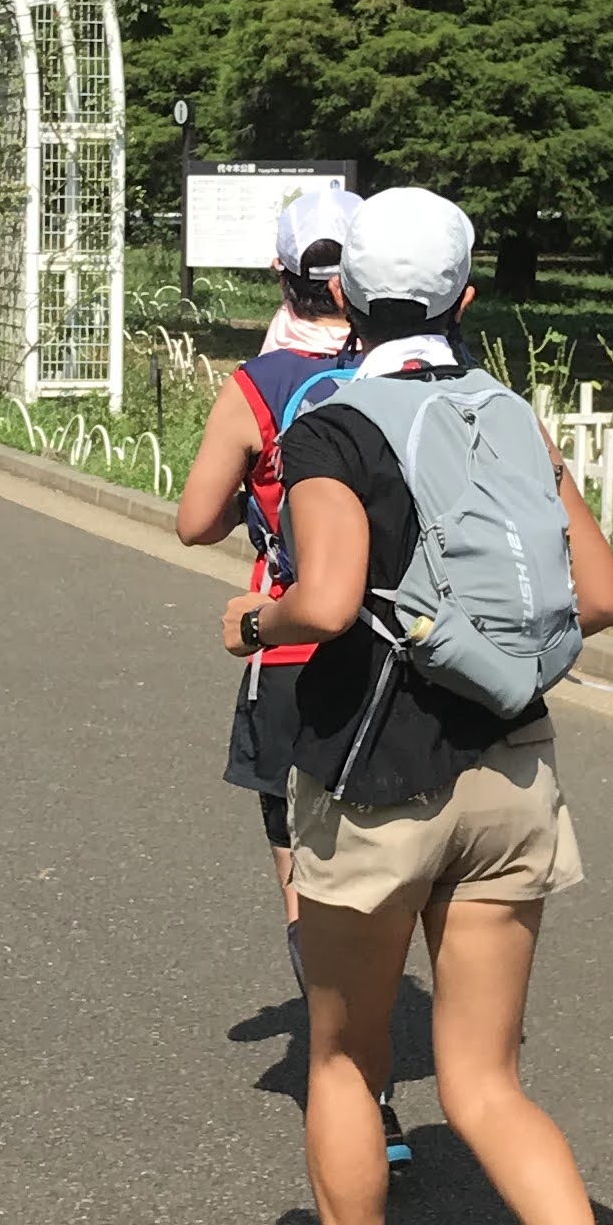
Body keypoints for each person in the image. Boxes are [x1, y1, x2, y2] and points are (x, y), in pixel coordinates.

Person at [231, 185, 613, 1225]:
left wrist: (251, 623)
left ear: (344, 297)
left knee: (346, 1056)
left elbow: (326, 600)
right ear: (468, 298)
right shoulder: (509, 417)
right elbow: (602, 594)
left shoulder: (332, 422)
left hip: (374, 779)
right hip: (509, 771)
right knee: (485, 1081)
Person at [173, 183, 406, 1173]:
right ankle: (406, 1066)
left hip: (293, 653)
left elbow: (194, 520)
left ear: (280, 273)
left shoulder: (259, 387)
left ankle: (358, 1090)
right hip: (402, 653)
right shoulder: (410, 376)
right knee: (395, 872)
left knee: (305, 884)